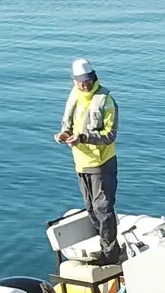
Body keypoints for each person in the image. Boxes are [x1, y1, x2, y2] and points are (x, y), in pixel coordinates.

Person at [55, 59, 121, 264]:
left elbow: (110, 135)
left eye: (88, 80)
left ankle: (110, 254)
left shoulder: (106, 101)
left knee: (103, 208)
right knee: (91, 208)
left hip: (102, 163)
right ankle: (105, 247)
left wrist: (83, 138)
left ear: (93, 76)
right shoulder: (75, 95)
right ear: (75, 80)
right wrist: (64, 135)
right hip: (81, 162)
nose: (85, 84)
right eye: (81, 81)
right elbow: (68, 123)